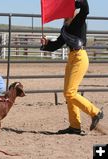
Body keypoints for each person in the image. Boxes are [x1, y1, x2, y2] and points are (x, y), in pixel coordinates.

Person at [40, 0, 103, 135]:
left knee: (70, 93)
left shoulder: (79, 20)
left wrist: (73, 2)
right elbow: (56, 45)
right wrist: (46, 44)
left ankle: (96, 112)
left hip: (80, 57)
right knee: (68, 94)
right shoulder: (65, 28)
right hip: (72, 58)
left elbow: (85, 8)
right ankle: (74, 126)